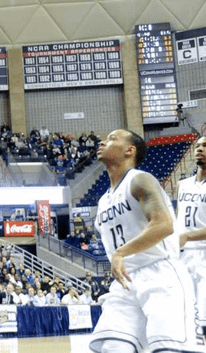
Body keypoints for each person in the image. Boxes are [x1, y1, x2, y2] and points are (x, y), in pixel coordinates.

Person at [89, 129, 199, 353]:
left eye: (112, 139)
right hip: (125, 282)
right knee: (112, 346)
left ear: (130, 150)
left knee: (168, 349)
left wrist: (121, 253)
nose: (103, 142)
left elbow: (164, 225)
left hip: (160, 275)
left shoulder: (139, 180)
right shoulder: (103, 201)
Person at [176, 135, 206, 341]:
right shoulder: (183, 184)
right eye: (197, 146)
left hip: (203, 252)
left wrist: (186, 236)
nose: (199, 149)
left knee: (203, 313)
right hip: (183, 253)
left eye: (205, 146)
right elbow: (178, 219)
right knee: (184, 308)